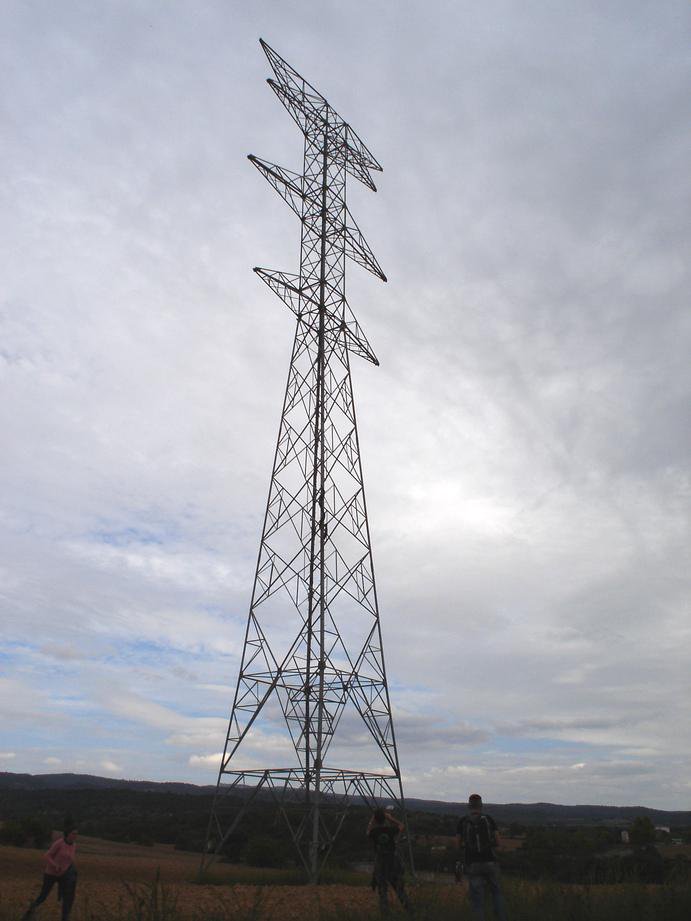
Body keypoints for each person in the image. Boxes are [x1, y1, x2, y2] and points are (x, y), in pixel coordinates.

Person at [456, 794, 507, 920]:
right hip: (490, 861)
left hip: (473, 863)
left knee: (477, 901)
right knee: (497, 893)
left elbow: (458, 844)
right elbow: (499, 843)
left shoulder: (463, 821)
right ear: (481, 805)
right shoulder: (488, 819)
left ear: (469, 806)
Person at [23, 821, 78, 921]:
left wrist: (68, 871)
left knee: (67, 898)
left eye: (76, 834)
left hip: (63, 875)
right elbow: (47, 855)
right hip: (51, 874)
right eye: (73, 833)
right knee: (43, 896)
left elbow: (70, 860)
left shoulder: (74, 845)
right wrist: (55, 865)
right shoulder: (59, 843)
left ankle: (65, 918)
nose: (75, 836)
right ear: (67, 834)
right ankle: (28, 914)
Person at [367, 807, 410, 916]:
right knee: (399, 889)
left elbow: (368, 831)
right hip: (393, 862)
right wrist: (391, 818)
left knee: (382, 891)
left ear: (376, 820)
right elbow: (401, 826)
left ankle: (385, 914)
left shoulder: (374, 832)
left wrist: (372, 820)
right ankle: (410, 911)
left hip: (380, 863)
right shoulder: (390, 830)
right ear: (384, 819)